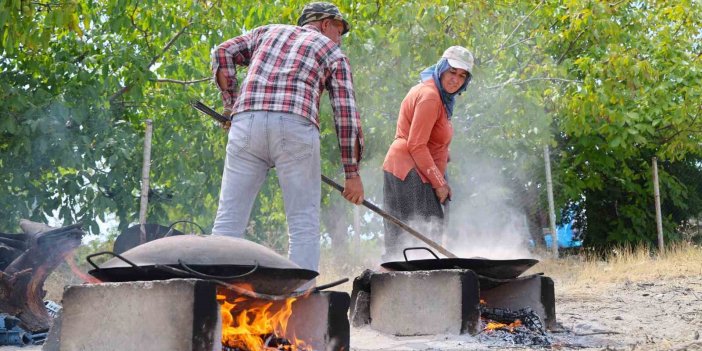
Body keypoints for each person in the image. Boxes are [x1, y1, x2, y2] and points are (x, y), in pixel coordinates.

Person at [210, 2, 365, 273]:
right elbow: (346, 113)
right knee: (303, 224)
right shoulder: (332, 52)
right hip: (296, 126)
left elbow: (223, 52)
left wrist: (232, 104)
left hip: (246, 124)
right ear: (325, 24)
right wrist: (351, 173)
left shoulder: (266, 32)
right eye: (339, 31)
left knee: (228, 221)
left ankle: (212, 300)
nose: (340, 39)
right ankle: (301, 303)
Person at [381, 46, 473, 259]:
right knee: (424, 238)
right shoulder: (431, 97)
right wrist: (439, 182)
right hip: (411, 170)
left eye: (462, 75)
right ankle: (422, 288)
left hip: (403, 167)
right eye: (452, 72)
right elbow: (416, 145)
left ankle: (399, 287)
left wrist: (443, 154)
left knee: (403, 241)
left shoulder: (437, 96)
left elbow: (428, 139)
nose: (455, 80)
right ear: (441, 68)